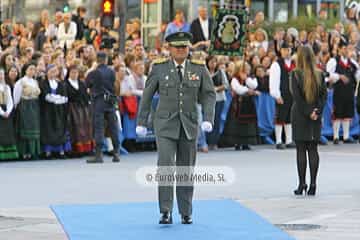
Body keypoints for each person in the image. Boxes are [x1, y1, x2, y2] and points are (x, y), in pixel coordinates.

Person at [136, 32, 216, 224]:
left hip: (188, 124)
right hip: (165, 124)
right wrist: (141, 121)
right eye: (177, 47)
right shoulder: (159, 68)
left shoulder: (198, 68)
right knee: (165, 166)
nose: (181, 50)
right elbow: (147, 95)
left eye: (184, 47)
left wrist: (207, 117)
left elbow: (209, 94)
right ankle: (165, 210)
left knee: (186, 168)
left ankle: (186, 211)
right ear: (169, 49)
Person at [290, 45, 327, 196]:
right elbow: (324, 96)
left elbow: (297, 98)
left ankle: (301, 184)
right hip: (315, 116)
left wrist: (307, 112)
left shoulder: (295, 74)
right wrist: (316, 111)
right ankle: (313, 184)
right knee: (313, 149)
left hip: (300, 115)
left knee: (300, 149)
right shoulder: (320, 74)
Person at [86, 51, 120, 163]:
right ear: (106, 60)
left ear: (97, 60)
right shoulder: (111, 72)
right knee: (113, 127)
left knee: (99, 128)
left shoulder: (93, 73)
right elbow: (115, 85)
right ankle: (116, 153)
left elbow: (87, 85)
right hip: (110, 101)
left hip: (98, 101)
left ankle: (99, 155)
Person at [326, 37, 360, 144]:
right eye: (344, 48)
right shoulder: (333, 61)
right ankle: (336, 136)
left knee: (347, 114)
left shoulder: (352, 63)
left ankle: (346, 136)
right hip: (338, 92)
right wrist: (339, 76)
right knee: (337, 114)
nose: (346, 51)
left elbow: (358, 74)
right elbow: (327, 75)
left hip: (349, 92)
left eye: (348, 49)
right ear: (339, 49)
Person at [222, 61, 260, 150]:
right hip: (238, 103)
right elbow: (238, 89)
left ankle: (246, 142)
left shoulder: (251, 77)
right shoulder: (235, 79)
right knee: (237, 123)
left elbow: (254, 85)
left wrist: (246, 79)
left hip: (248, 104)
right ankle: (237, 142)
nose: (247, 69)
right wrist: (248, 90)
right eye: (245, 68)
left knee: (248, 123)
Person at [39, 64, 71, 159]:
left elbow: (65, 97)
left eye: (54, 71)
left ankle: (60, 151)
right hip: (48, 110)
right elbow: (45, 96)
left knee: (60, 129)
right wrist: (56, 99)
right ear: (47, 72)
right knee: (49, 130)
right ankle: (48, 151)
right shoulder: (43, 83)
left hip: (59, 110)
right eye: (51, 71)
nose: (53, 73)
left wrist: (58, 99)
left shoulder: (60, 84)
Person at [269, 42, 296, 149]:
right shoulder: (276, 64)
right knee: (280, 117)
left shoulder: (294, 64)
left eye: (289, 50)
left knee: (289, 117)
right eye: (285, 50)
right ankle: (279, 140)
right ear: (281, 51)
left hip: (292, 95)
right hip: (282, 94)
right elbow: (274, 81)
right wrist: (276, 95)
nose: (287, 52)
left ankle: (289, 140)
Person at [13, 62, 41, 160]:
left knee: (34, 128)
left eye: (34, 69)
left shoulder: (35, 82)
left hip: (34, 106)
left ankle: (33, 152)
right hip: (25, 107)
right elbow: (16, 98)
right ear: (25, 70)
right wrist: (17, 108)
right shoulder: (21, 82)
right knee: (25, 129)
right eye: (30, 69)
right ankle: (24, 152)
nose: (32, 71)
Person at [65, 65, 94, 156]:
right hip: (72, 109)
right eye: (72, 72)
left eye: (76, 72)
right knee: (75, 128)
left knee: (86, 127)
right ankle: (76, 150)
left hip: (83, 108)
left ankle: (87, 149)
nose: (74, 74)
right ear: (69, 73)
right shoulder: (65, 84)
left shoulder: (81, 83)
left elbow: (86, 95)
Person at [0, 68, 18, 160]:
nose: (1, 76)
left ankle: (9, 155)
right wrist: (2, 112)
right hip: (1, 112)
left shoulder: (6, 87)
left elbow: (10, 100)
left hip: (7, 111)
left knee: (8, 132)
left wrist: (8, 111)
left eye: (2, 74)